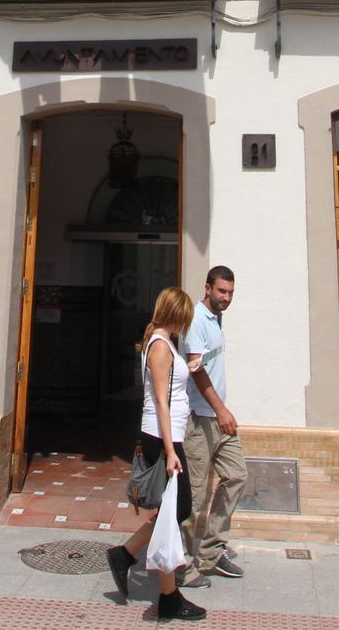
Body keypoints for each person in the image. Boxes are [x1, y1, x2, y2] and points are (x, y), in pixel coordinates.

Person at [106, 286, 206, 622]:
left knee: (173, 511)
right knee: (176, 510)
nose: (186, 324)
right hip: (162, 439)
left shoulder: (166, 343)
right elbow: (161, 401)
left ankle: (126, 555)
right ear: (176, 314)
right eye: (184, 318)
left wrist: (190, 367)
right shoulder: (160, 346)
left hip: (167, 437)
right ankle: (167, 596)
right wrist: (170, 450)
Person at [179, 266, 246, 588]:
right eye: (221, 291)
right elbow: (196, 368)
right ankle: (181, 566)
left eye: (230, 292)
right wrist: (221, 410)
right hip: (200, 419)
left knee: (237, 475)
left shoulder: (216, 318)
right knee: (192, 496)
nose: (226, 298)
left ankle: (211, 552)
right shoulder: (196, 319)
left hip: (218, 419)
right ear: (207, 288)